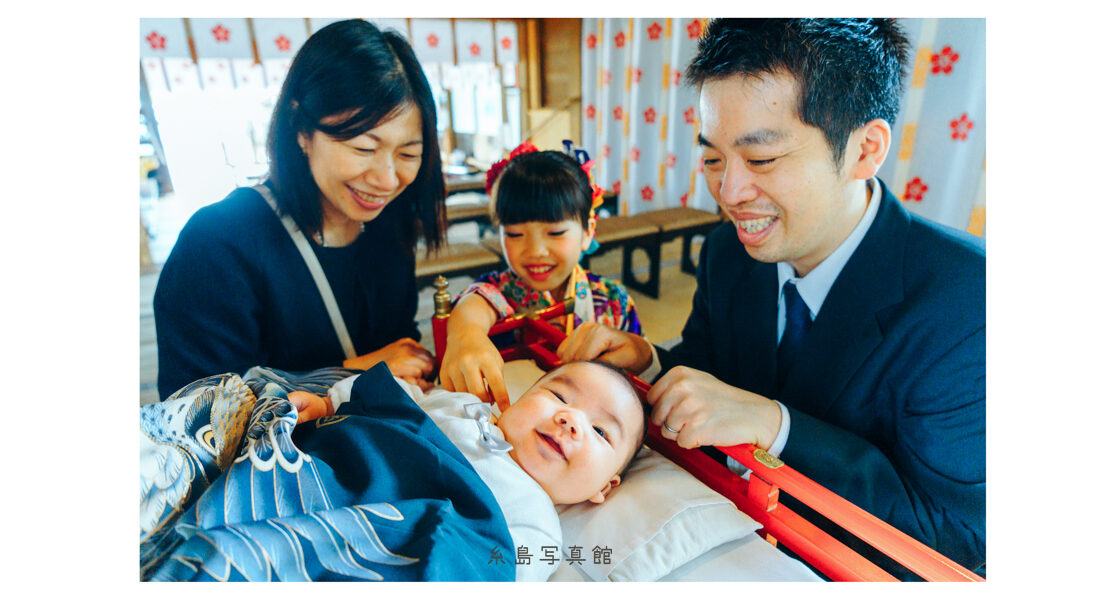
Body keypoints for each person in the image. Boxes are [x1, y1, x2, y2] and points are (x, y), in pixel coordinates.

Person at [556, 18, 985, 577]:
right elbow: (712, 368)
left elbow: (956, 536)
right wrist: (651, 360)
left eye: (761, 160)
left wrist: (777, 426)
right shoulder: (728, 255)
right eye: (713, 158)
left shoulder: (968, 302)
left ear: (865, 150)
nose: (730, 194)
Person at [153, 19, 446, 400]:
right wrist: (352, 375)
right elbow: (194, 410)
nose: (388, 180)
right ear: (301, 129)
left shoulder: (388, 224)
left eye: (408, 153)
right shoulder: (216, 243)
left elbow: (400, 348)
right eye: (364, 149)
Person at [280, 359, 647, 581]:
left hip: (378, 530)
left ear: (605, 487)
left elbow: (501, 575)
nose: (569, 419)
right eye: (559, 396)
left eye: (600, 431)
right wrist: (330, 403)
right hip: (327, 470)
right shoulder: (467, 407)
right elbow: (405, 397)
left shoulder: (537, 522)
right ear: (511, 405)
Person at [439, 143, 644, 409]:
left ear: (587, 232)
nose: (535, 251)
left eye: (555, 233)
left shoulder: (613, 300)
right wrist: (466, 336)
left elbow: (638, 366)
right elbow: (474, 305)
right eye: (514, 234)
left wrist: (640, 352)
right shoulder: (499, 290)